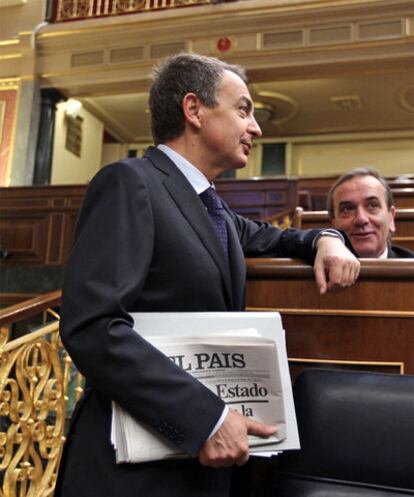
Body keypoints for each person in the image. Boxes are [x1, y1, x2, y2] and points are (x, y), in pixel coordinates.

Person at [56, 53, 360, 497]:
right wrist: (207, 418)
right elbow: (92, 327)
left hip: (199, 469)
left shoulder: (215, 210)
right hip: (130, 474)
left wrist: (328, 238)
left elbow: (280, 240)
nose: (255, 127)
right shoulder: (130, 181)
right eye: (243, 109)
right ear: (194, 109)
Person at [327, 167, 414, 258]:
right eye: (347, 209)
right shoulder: (316, 269)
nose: (361, 219)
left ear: (391, 218)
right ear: (333, 224)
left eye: (372, 206)